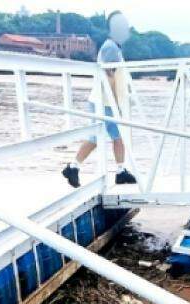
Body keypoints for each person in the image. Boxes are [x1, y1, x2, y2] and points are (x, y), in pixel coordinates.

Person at [62, 10, 137, 188]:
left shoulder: (115, 46)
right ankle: (73, 167)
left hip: (106, 100)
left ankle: (120, 171)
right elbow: (108, 74)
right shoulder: (110, 47)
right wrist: (115, 103)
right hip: (104, 101)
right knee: (98, 137)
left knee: (117, 136)